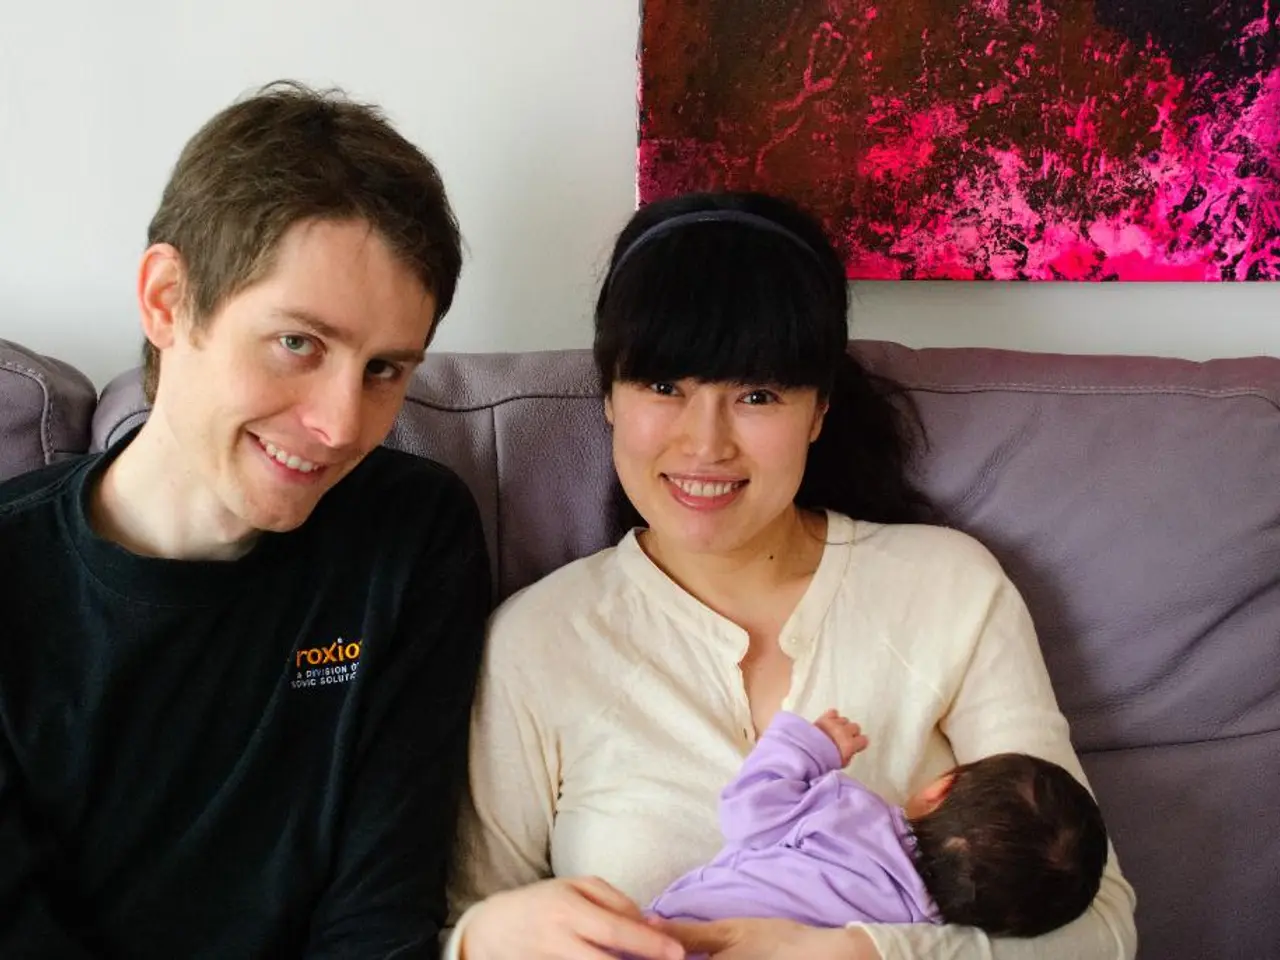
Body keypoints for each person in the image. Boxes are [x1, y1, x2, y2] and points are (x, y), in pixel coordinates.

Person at [445, 190, 1137, 960]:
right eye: (665, 386)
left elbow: (1099, 929)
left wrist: (861, 953)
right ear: (608, 395)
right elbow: (460, 922)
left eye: (758, 395)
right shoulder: (536, 643)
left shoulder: (949, 589)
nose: (705, 444)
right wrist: (481, 938)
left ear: (818, 410)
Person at [0, 82, 490, 958]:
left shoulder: (411, 539)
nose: (341, 426)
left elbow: (379, 924)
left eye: (384, 370)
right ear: (166, 300)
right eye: (298, 343)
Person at [644, 710, 1108, 938]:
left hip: (677, 932)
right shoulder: (917, 939)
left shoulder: (848, 815)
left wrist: (810, 747)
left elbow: (747, 812)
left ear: (939, 789)